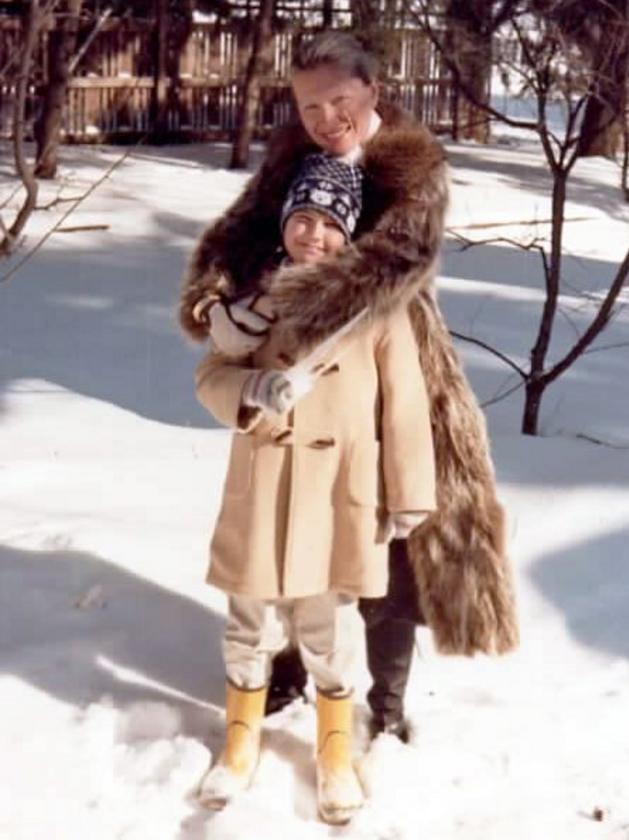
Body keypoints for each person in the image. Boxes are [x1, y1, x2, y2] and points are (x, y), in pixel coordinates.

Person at [180, 32, 518, 748]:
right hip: (293, 350)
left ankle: (387, 701)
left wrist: (295, 298)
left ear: (371, 89)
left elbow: (397, 260)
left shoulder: (410, 162)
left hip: (393, 349)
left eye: (339, 99)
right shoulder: (293, 157)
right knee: (305, 516)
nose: (326, 117)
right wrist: (220, 300)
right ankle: (296, 666)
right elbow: (241, 233)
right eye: (309, 105)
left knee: (394, 539)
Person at [193, 151, 436, 824]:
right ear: (285, 222)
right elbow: (210, 376)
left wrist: (408, 491)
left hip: (338, 490)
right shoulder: (254, 298)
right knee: (250, 619)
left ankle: (333, 748)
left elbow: (405, 403)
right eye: (302, 218)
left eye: (329, 223)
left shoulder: (377, 309)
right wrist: (251, 389)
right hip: (264, 481)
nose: (313, 235)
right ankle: (240, 737)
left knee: (326, 625)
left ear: (348, 231)